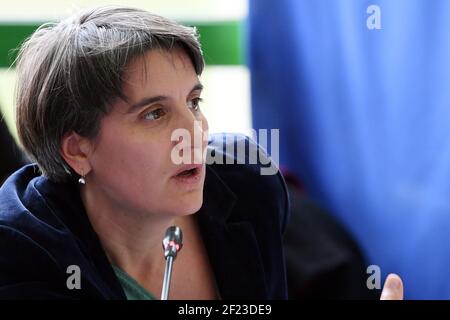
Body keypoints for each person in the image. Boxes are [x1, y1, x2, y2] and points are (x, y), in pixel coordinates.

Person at [0, 6, 402, 300]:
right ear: (77, 149)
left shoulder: (249, 186)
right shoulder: (22, 253)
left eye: (193, 102)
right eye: (154, 114)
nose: (194, 133)